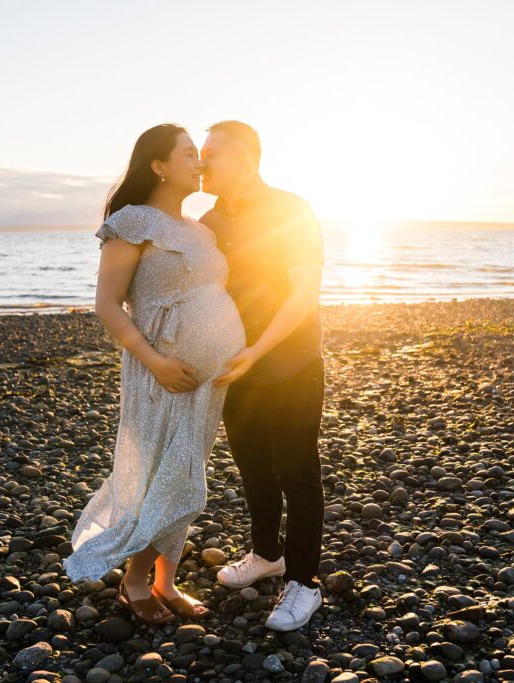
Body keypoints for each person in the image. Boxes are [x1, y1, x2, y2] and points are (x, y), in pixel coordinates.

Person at [62, 124, 246, 625]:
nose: (199, 162)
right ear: (158, 165)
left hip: (206, 381)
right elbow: (107, 306)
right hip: (161, 373)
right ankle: (136, 580)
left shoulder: (202, 231)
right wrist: (158, 362)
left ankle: (165, 579)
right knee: (163, 472)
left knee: (185, 472)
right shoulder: (131, 222)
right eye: (189, 154)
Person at [199, 120, 326, 631]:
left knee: (297, 472)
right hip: (235, 365)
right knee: (252, 466)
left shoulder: (290, 210)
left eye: (211, 154)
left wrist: (258, 350)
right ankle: (266, 555)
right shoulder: (209, 220)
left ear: (247, 159)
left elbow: (304, 294)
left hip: (291, 361)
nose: (202, 163)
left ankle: (304, 584)